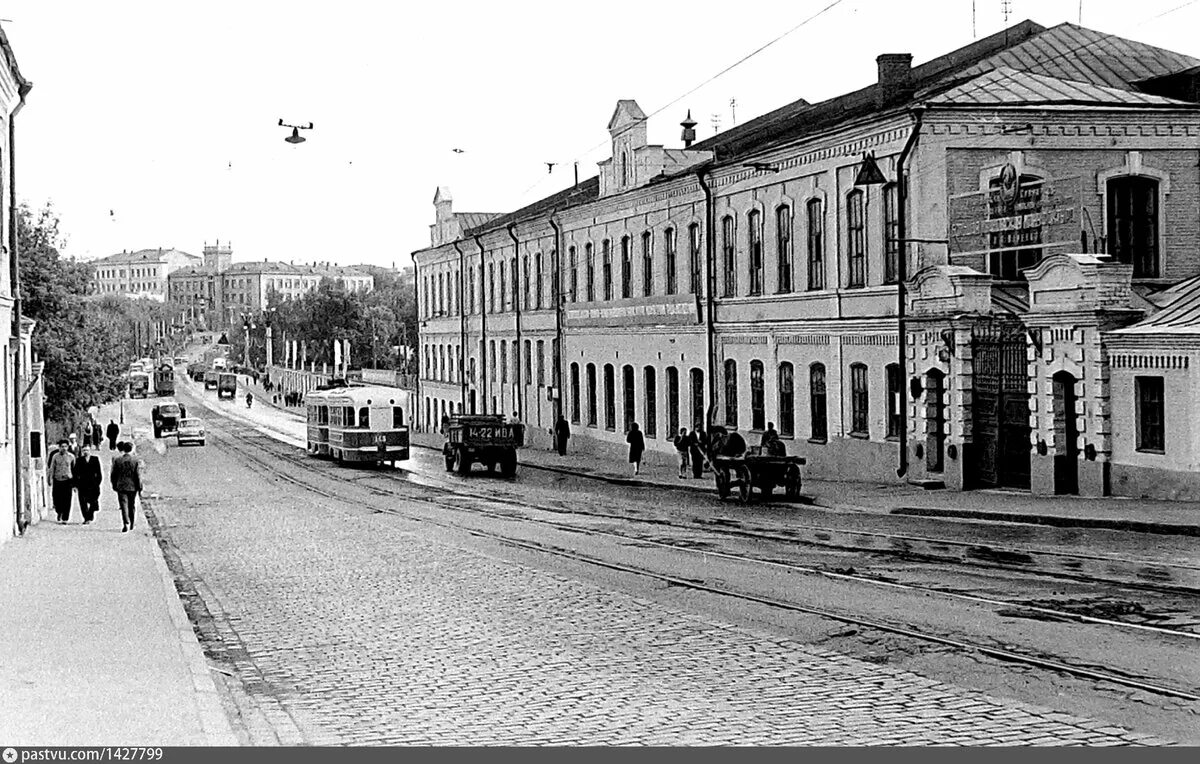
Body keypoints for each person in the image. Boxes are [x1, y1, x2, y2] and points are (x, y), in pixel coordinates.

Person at [111, 441, 143, 533]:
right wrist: (139, 486)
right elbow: (137, 475)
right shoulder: (135, 460)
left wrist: (114, 485)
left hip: (121, 486)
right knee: (132, 505)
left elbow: (113, 474)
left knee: (123, 505)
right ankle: (132, 522)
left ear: (123, 449)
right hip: (132, 486)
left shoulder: (118, 460)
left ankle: (126, 522)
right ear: (131, 449)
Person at [72, 443, 103, 525]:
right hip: (82, 484)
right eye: (84, 450)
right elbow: (75, 473)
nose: (86, 452)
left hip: (93, 484)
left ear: (90, 451)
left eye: (87, 450)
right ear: (82, 451)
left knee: (93, 501)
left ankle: (91, 513)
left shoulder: (95, 459)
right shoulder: (79, 460)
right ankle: (86, 518)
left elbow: (99, 473)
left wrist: (98, 482)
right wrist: (75, 485)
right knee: (83, 502)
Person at [47, 438, 75, 524]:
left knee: (67, 500)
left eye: (65, 446)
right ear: (59, 447)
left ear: (68, 447)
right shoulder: (55, 456)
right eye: (62, 446)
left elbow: (74, 469)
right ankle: (59, 512)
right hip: (57, 480)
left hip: (67, 480)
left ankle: (65, 518)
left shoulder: (71, 457)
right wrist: (50, 479)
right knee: (57, 499)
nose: (64, 448)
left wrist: (74, 482)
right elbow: (52, 468)